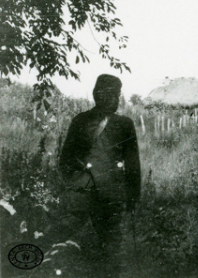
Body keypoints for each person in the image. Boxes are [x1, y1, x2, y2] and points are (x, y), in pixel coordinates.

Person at [59, 74, 141, 271]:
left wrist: (77, 180)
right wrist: (132, 196)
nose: (115, 99)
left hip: (85, 193)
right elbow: (133, 166)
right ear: (100, 95)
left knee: (67, 246)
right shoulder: (123, 124)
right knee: (109, 249)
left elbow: (65, 161)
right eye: (114, 95)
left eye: (116, 95)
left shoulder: (81, 120)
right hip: (108, 195)